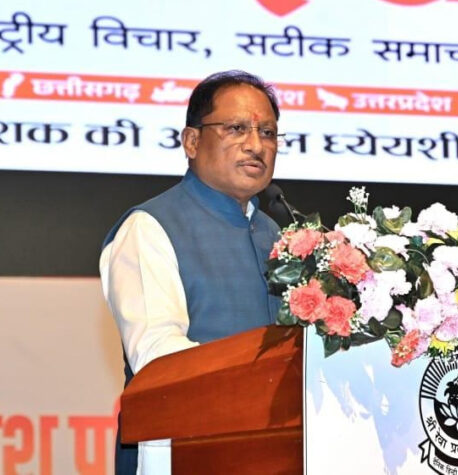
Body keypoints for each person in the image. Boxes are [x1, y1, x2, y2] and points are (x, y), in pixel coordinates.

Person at [99, 70, 283, 474]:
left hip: (274, 451)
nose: (256, 145)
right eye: (236, 129)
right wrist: (261, 381)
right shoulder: (150, 227)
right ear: (192, 142)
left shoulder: (278, 235)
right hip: (182, 451)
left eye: (268, 133)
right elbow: (157, 356)